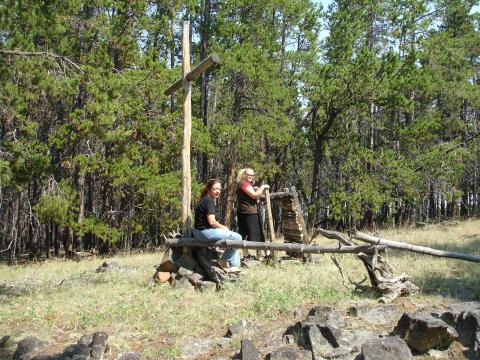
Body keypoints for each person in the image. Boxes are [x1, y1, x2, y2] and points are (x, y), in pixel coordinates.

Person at [193, 179, 242, 271]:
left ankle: (235, 266)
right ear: (208, 190)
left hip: (200, 232)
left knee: (233, 239)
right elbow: (212, 222)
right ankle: (223, 260)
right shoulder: (208, 201)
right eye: (215, 189)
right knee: (237, 238)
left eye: (219, 189)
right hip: (204, 233)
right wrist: (224, 228)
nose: (218, 191)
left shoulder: (207, 200)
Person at [236, 168, 270, 258]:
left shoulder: (243, 184)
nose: (251, 177)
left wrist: (254, 188)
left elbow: (250, 195)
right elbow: (254, 195)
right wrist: (263, 187)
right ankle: (265, 254)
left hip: (243, 212)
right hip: (249, 212)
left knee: (244, 234)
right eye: (249, 175)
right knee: (257, 234)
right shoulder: (244, 184)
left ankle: (246, 255)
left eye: (252, 175)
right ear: (244, 174)